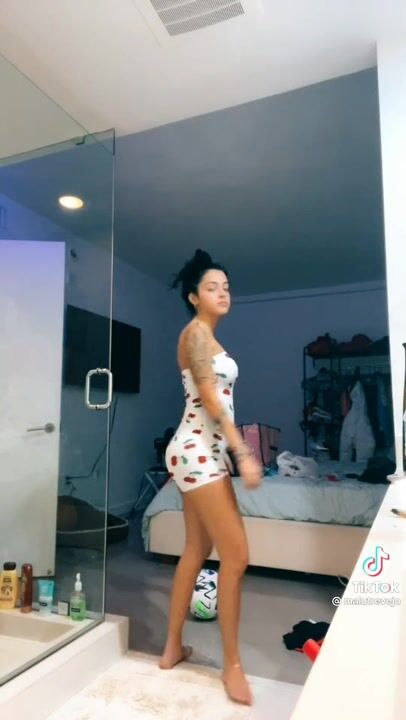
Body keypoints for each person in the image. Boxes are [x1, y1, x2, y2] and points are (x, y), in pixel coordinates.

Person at [159, 249, 263, 706]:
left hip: (199, 452)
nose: (223, 293)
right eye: (212, 287)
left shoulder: (205, 335)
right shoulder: (196, 333)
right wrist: (243, 452)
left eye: (226, 287)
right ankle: (232, 666)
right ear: (193, 297)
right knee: (236, 555)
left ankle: (172, 648)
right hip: (197, 451)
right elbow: (210, 399)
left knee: (196, 550)